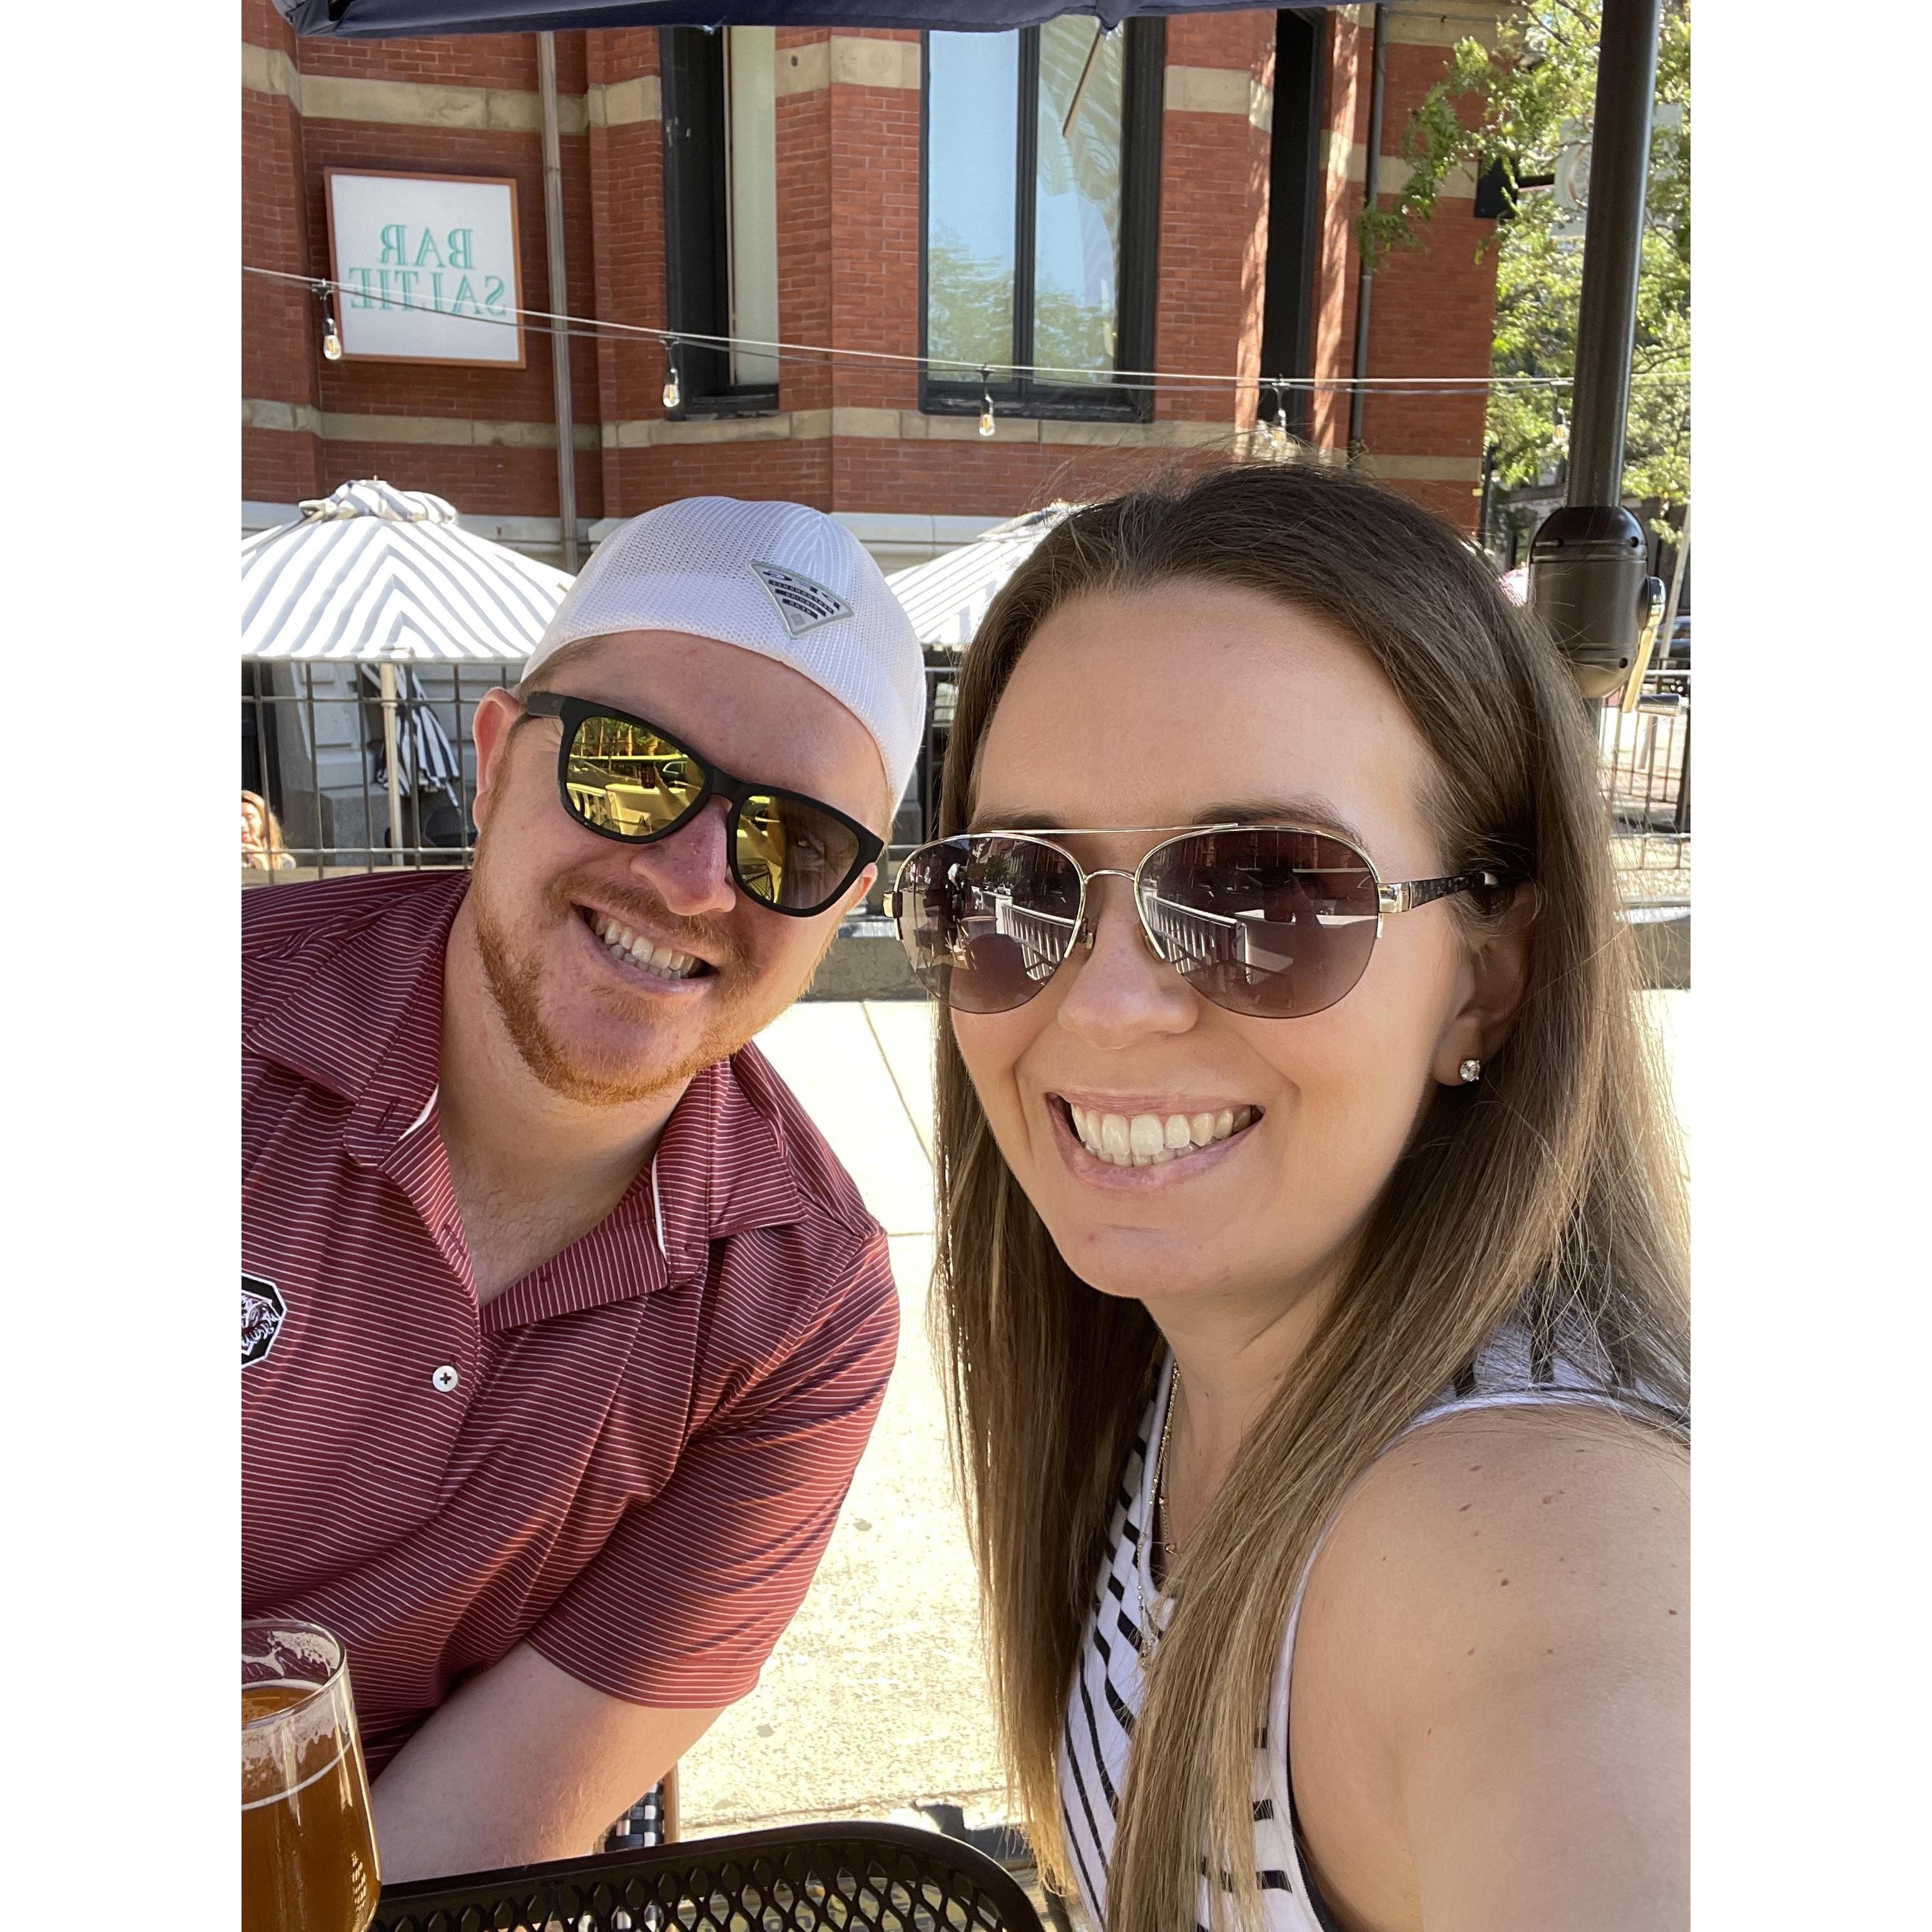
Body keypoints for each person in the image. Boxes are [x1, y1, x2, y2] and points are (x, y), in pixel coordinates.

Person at [893, 464, 1689, 1932]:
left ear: (1486, 977)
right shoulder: (1179, 1360)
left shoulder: (1520, 1547)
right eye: (1020, 885)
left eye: (1264, 889)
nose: (1110, 1004)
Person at [243, 497, 923, 1881]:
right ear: (494, 763)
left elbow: (482, 1833)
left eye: (791, 843)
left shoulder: (801, 1308)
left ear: (840, 911)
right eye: (628, 766)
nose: (686, 876)